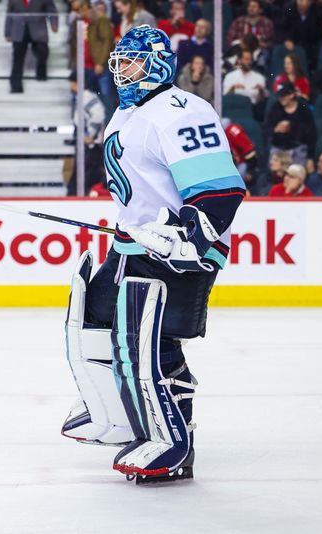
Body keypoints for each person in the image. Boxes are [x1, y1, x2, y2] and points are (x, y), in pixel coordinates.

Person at [60, 25, 244, 484]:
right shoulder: (127, 112)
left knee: (148, 345)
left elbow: (219, 193)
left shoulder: (181, 111)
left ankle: (171, 442)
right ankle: (119, 417)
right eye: (118, 62)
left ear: (159, 63)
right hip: (131, 246)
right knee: (95, 322)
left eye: (132, 62)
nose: (122, 71)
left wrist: (184, 234)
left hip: (176, 253)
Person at [6, 0, 59, 93]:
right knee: (17, 58)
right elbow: (9, 15)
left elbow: (50, 11)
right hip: (18, 30)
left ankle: (41, 77)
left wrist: (53, 22)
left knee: (42, 53)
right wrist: (7, 32)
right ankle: (16, 86)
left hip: (38, 30)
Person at [67, 70, 105, 196]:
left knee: (85, 179)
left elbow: (98, 114)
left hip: (91, 147)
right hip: (88, 147)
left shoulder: (86, 96)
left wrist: (90, 135)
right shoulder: (82, 97)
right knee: (81, 179)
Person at [264, 82, 316, 167]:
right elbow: (266, 129)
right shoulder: (275, 107)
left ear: (292, 95)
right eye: (280, 96)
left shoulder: (303, 108)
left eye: (284, 96)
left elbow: (312, 134)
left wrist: (310, 158)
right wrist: (276, 129)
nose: (281, 98)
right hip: (278, 148)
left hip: (298, 148)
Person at [222, 118, 258, 192]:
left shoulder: (232, 130)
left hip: (245, 163)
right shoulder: (226, 132)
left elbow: (249, 149)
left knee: (237, 184)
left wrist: (251, 170)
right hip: (238, 162)